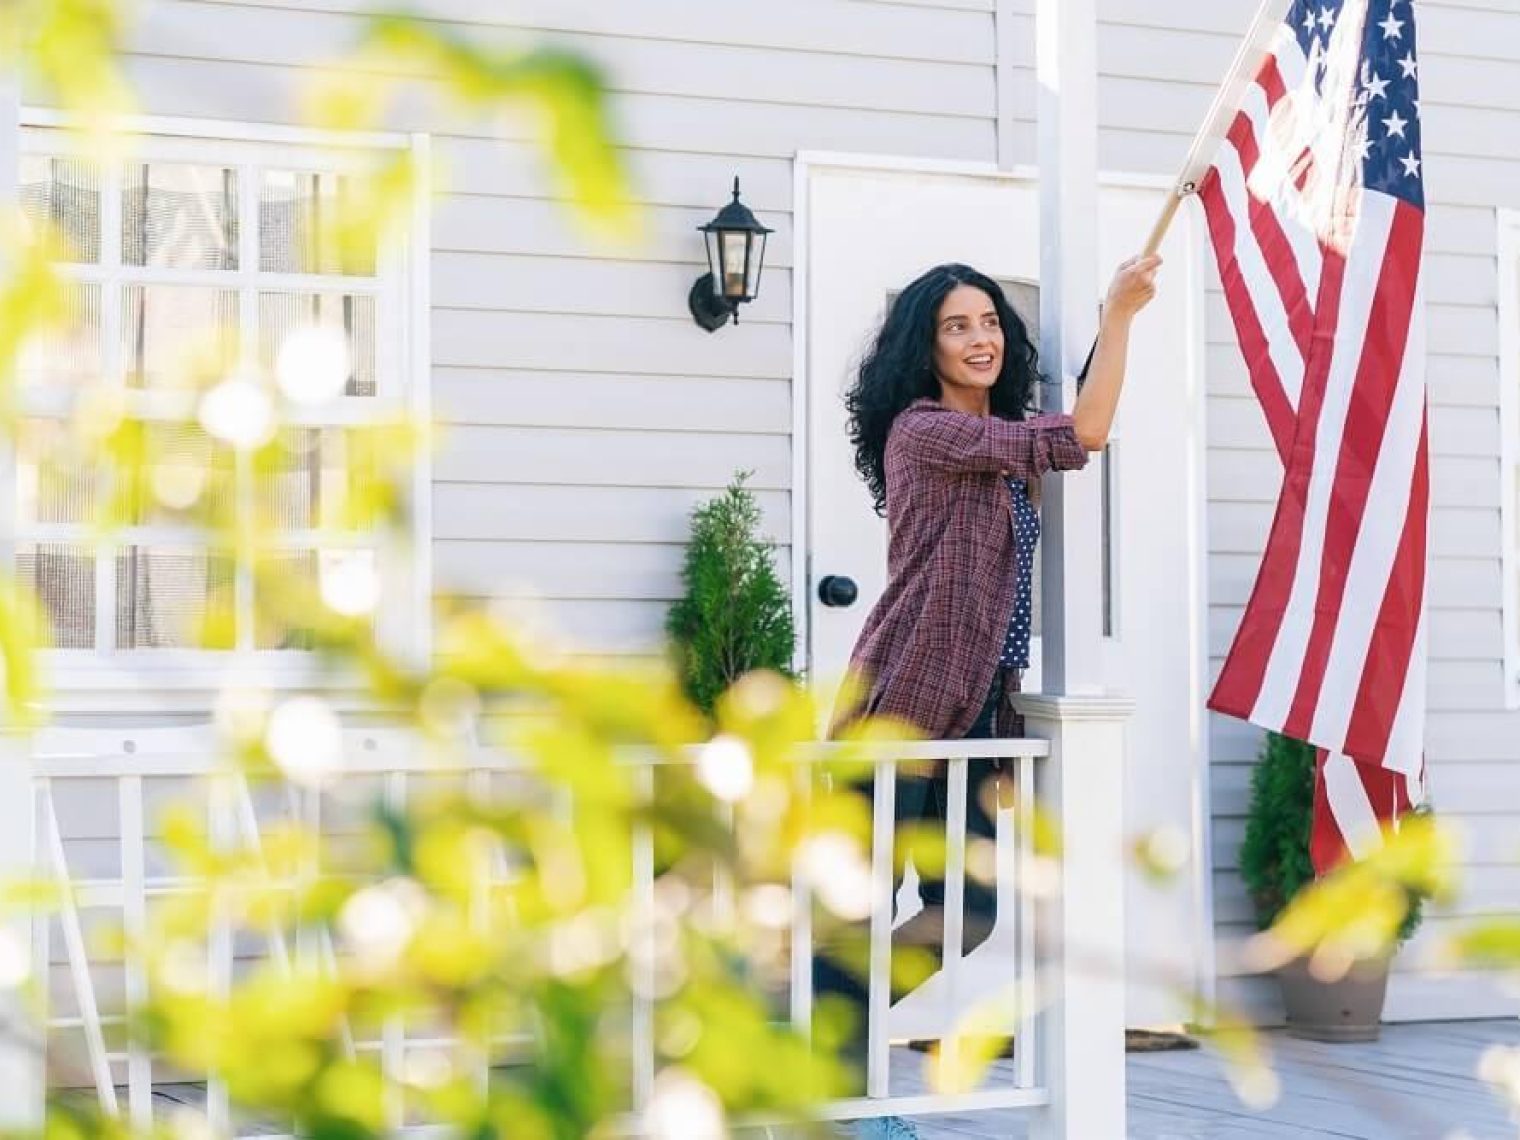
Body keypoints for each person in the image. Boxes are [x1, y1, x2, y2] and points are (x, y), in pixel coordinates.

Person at [824, 255, 1161, 1139]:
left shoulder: (999, 447)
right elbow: (1083, 434)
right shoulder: (926, 432)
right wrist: (1120, 313)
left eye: (990, 324)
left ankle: (814, 1046)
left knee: (964, 915)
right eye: (956, 326)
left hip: (979, 712)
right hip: (901, 704)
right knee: (860, 910)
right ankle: (841, 1095)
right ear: (923, 347)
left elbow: (1067, 431)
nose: (980, 339)